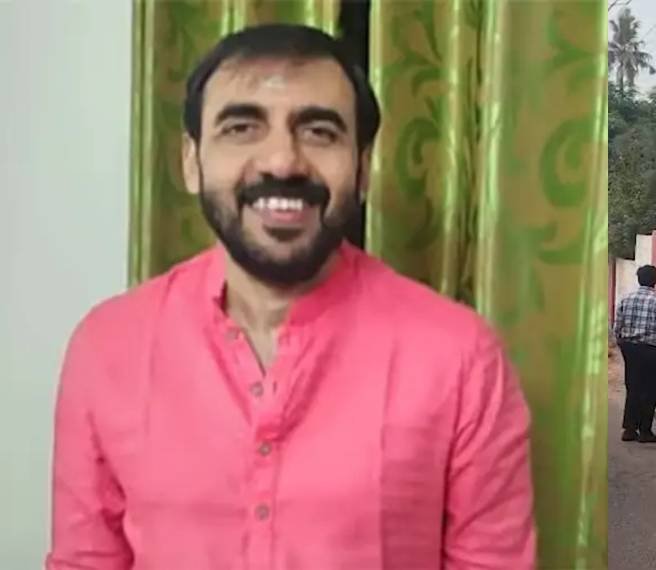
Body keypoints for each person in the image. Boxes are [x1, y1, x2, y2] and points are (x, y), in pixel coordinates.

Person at [46, 24, 535, 569]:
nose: (282, 161)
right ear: (191, 161)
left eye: (319, 132)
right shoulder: (108, 347)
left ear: (363, 167)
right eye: (241, 128)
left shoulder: (460, 357)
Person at [611, 265, 656, 443]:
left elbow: (617, 327)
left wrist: (622, 343)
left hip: (630, 349)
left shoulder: (626, 299)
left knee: (633, 387)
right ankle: (645, 430)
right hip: (652, 350)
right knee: (651, 390)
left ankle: (629, 429)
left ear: (638, 279)